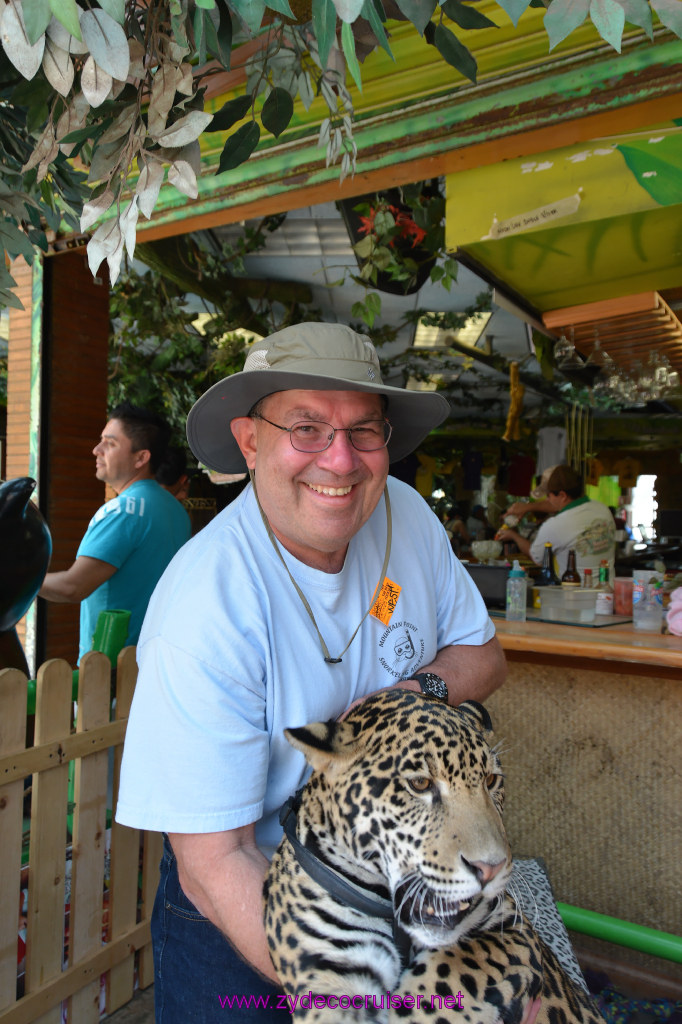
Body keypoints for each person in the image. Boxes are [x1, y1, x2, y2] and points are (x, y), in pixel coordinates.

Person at [115, 323, 508, 1023]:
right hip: (246, 893)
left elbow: (484, 655)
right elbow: (215, 864)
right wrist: (365, 998)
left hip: (395, 873)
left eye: (364, 431)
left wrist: (413, 697)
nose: (341, 460)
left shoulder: (406, 517)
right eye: (306, 428)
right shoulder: (206, 610)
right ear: (249, 441)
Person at [38, 403, 191, 662]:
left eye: (110, 443)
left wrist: (18, 579)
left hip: (110, 673)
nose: (96, 450)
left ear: (141, 458)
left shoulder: (122, 511)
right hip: (156, 663)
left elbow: (72, 587)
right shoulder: (177, 511)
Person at [496, 464, 616, 579]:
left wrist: (514, 536)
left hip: (575, 594)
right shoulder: (602, 509)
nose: (547, 500)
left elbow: (537, 558)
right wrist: (527, 507)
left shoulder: (555, 525)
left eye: (549, 495)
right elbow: (558, 506)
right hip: (607, 594)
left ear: (562, 495)